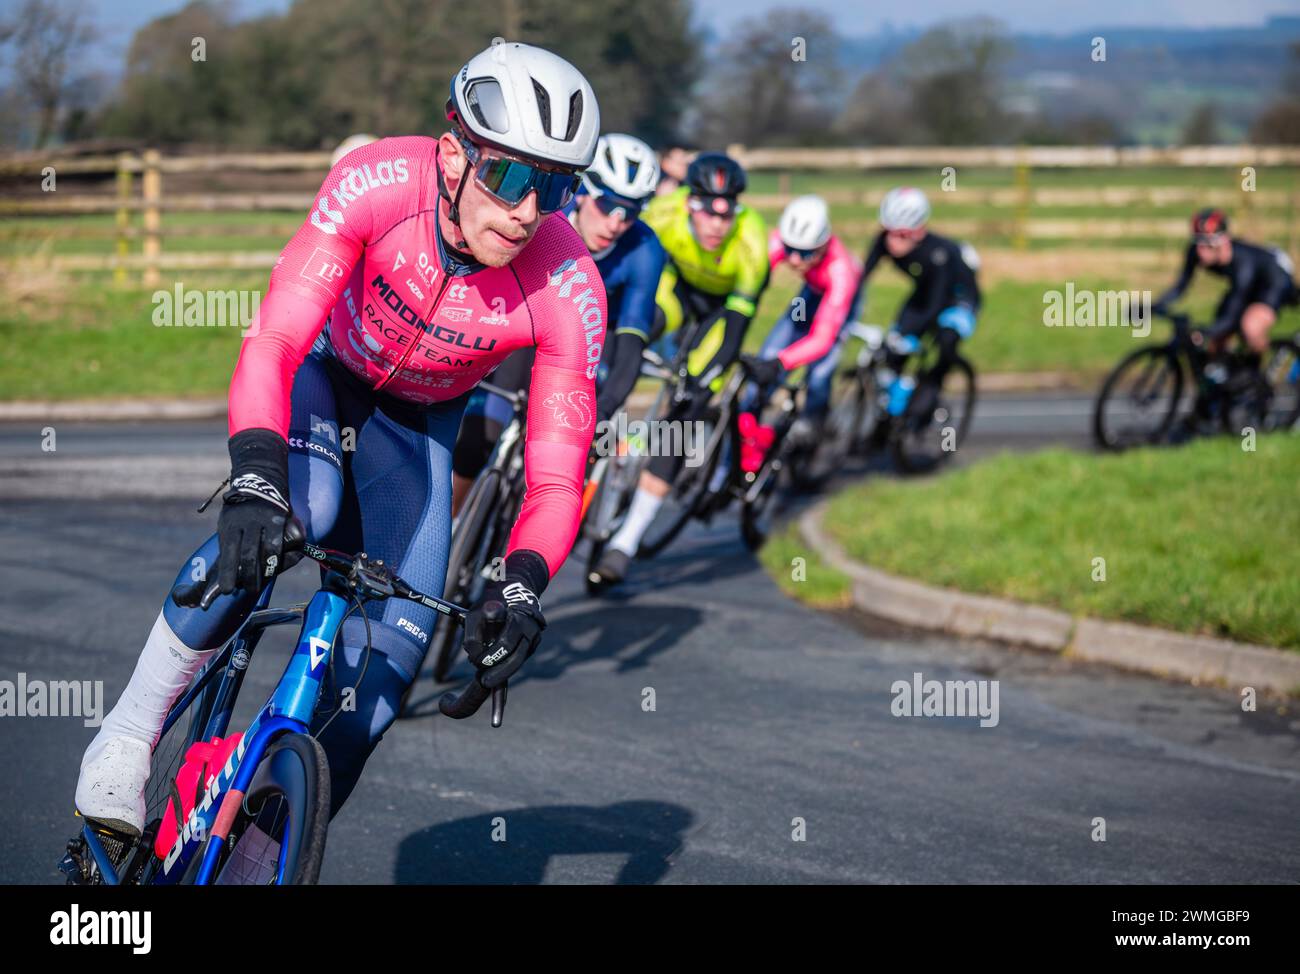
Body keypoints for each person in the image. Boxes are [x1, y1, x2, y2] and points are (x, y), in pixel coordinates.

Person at [74, 42, 605, 838]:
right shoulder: (380, 183)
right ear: (455, 157)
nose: (529, 210)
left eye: (555, 185)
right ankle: (125, 737)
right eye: (512, 177)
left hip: (416, 434)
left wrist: (523, 583)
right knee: (299, 512)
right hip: (323, 380)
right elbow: (274, 342)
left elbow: (557, 480)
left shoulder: (567, 284)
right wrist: (256, 473)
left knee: (383, 680)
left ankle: (258, 856)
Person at [449, 132, 666, 514]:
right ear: (584, 193)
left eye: (630, 212)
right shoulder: (549, 216)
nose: (616, 223)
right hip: (531, 311)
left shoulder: (645, 250)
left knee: (578, 439)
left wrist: (603, 409)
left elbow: (632, 338)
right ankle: (449, 525)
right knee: (478, 439)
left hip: (598, 331)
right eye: (609, 205)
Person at [587, 151, 768, 589]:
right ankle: (598, 418)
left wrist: (703, 381)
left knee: (688, 411)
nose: (716, 226)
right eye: (707, 212)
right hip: (675, 288)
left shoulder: (752, 245)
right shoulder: (664, 213)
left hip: (721, 313)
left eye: (727, 216)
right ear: (689, 202)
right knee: (636, 327)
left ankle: (625, 543)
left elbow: (735, 334)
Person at [1154, 208, 1297, 422]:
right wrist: (1152, 307)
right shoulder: (1196, 252)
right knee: (1215, 344)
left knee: (1249, 326)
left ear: (1223, 242)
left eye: (1209, 243)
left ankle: (1259, 376)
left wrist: (1208, 331)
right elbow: (1180, 287)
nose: (1202, 250)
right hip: (1242, 289)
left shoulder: (1243, 262)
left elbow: (1233, 314)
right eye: (1198, 242)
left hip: (1272, 284)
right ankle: (1221, 394)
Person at [740, 195, 863, 442]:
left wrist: (780, 364)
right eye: (789, 250)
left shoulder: (841, 272)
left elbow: (822, 340)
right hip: (809, 294)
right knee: (773, 348)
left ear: (823, 245)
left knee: (818, 372)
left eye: (805, 253)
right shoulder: (781, 241)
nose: (794, 260)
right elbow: (752, 280)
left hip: (839, 300)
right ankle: (750, 419)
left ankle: (813, 420)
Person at [858, 187, 981, 422]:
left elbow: (935, 304)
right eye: (889, 233)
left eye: (902, 235)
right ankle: (890, 417)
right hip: (925, 293)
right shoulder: (884, 241)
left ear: (918, 231)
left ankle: (930, 392)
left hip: (957, 297)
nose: (893, 242)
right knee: (893, 355)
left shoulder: (938, 255)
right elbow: (861, 278)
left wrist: (903, 339)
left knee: (945, 343)